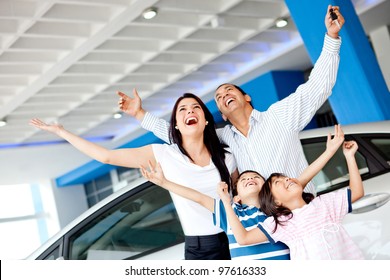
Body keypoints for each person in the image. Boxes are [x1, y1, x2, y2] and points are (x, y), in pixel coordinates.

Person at [117, 5, 345, 196]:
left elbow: (317, 86)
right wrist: (139, 114)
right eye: (218, 97)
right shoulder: (223, 138)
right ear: (222, 114)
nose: (224, 95)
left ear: (246, 97)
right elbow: (181, 134)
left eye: (228, 90)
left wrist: (332, 38)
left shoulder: (279, 116)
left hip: (301, 206)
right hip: (265, 221)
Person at [29, 93, 237, 260]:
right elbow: (106, 156)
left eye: (195, 107)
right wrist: (62, 132)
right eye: (182, 109)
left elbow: (241, 199)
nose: (189, 111)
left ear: (206, 120)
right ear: (175, 125)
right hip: (201, 249)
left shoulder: (227, 157)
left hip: (237, 237)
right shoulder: (164, 154)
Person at [142, 125, 354, 259]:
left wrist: (330, 151)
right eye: (243, 179)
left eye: (256, 178)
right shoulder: (231, 211)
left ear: (269, 192)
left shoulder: (277, 209)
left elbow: (303, 177)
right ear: (237, 196)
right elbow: (197, 197)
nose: (250, 178)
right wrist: (164, 183)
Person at [217, 135, 365, 259]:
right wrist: (226, 200)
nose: (286, 179)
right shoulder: (280, 223)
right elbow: (243, 239)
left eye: (286, 178)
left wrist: (349, 157)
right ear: (275, 201)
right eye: (277, 182)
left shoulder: (324, 204)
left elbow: (356, 192)